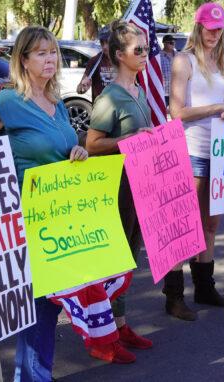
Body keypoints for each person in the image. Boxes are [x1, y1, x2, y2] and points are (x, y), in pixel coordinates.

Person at [0, 26, 106, 381]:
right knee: (38, 307)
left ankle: (37, 372)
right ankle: (32, 376)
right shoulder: (8, 102)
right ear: (22, 60)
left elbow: (61, 149)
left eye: (53, 52)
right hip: (26, 218)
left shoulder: (57, 105)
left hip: (59, 218)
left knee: (50, 306)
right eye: (40, 53)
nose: (50, 59)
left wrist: (79, 151)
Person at [164, 2, 224, 321]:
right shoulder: (183, 60)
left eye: (219, 29)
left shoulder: (219, 64)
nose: (213, 34)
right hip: (191, 150)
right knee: (184, 227)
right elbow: (177, 112)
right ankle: (173, 296)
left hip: (222, 153)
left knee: (210, 225)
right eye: (208, 28)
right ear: (198, 27)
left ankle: (205, 287)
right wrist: (217, 108)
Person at [86, 20, 155, 357]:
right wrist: (124, 141)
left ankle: (121, 323)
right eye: (138, 50)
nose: (145, 54)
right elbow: (92, 143)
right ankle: (104, 336)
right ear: (117, 55)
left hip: (141, 185)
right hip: (118, 189)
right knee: (113, 261)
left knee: (130, 257)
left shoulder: (139, 92)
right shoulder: (108, 97)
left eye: (146, 48)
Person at [76, 28, 117, 103]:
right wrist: (83, 87)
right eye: (102, 43)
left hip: (120, 109)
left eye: (107, 42)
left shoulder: (123, 61)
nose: (104, 46)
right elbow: (79, 90)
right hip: (101, 110)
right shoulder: (94, 61)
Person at [159, 34, 176, 107]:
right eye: (171, 43)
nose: (173, 44)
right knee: (163, 114)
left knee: (177, 115)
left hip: (176, 91)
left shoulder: (178, 55)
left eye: (174, 42)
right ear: (164, 43)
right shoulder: (159, 56)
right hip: (164, 91)